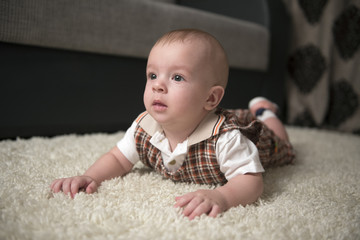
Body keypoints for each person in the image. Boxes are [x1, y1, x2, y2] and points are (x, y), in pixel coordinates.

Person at [51, 29, 294, 220]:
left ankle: (263, 110)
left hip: (261, 139)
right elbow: (117, 159)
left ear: (210, 98)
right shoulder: (144, 128)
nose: (157, 85)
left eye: (177, 77)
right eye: (152, 75)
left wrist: (222, 196)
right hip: (208, 114)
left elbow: (250, 180)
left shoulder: (227, 138)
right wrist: (90, 176)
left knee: (282, 142)